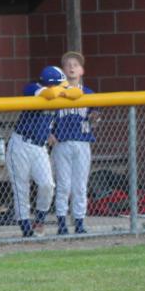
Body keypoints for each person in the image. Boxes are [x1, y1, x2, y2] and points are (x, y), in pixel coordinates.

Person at [7, 66, 61, 237]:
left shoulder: (58, 93)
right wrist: (63, 90)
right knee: (21, 187)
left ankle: (39, 219)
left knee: (47, 184)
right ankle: (25, 228)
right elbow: (49, 94)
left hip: (39, 146)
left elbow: (75, 94)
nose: (60, 87)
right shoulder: (33, 88)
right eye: (57, 84)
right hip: (20, 144)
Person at [51, 51, 95, 235]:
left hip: (82, 142)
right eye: (68, 65)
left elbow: (95, 114)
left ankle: (79, 222)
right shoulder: (57, 93)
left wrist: (95, 117)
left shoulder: (88, 93)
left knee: (80, 185)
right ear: (63, 71)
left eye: (75, 65)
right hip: (61, 143)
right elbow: (47, 116)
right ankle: (61, 222)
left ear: (82, 70)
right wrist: (48, 133)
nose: (71, 67)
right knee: (63, 185)